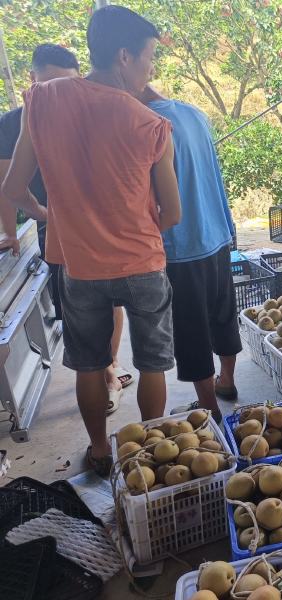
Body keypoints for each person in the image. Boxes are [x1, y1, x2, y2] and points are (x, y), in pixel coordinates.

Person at [1, 5, 181, 475]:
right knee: (152, 364)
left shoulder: (44, 100)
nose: (149, 71)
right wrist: (136, 233)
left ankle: (100, 451)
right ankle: (148, 455)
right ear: (124, 56)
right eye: (147, 60)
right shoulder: (151, 125)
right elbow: (173, 212)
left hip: (79, 267)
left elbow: (14, 191)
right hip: (142, 263)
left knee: (88, 364)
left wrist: (53, 217)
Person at [0, 44, 135, 412]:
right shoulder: (14, 122)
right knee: (78, 308)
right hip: (59, 233)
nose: (60, 95)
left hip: (101, 228)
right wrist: (29, 221)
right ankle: (100, 370)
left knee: (111, 300)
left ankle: (110, 363)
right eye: (50, 85)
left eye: (68, 85)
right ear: (33, 81)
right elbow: (8, 186)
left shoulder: (91, 113)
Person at [135, 85, 241, 423]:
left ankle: (209, 407)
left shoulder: (145, 124)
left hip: (182, 244)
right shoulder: (193, 113)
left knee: (191, 329)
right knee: (222, 313)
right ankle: (228, 381)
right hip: (217, 232)